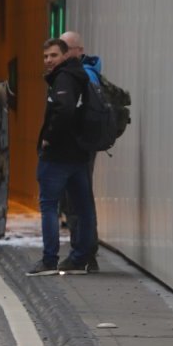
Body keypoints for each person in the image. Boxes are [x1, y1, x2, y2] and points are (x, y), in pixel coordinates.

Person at [28, 38, 97, 276]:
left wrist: (49, 138)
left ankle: (49, 260)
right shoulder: (81, 76)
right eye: (46, 56)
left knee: (49, 206)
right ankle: (80, 259)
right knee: (83, 207)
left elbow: (64, 110)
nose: (48, 61)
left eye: (54, 56)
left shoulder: (64, 78)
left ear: (65, 55)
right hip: (79, 154)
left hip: (58, 156)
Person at [60, 29, 102, 271]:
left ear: (80, 51)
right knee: (77, 200)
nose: (63, 54)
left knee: (78, 201)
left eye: (67, 49)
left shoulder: (82, 77)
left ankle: (83, 254)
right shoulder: (85, 74)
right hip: (80, 146)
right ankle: (85, 253)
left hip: (78, 147)